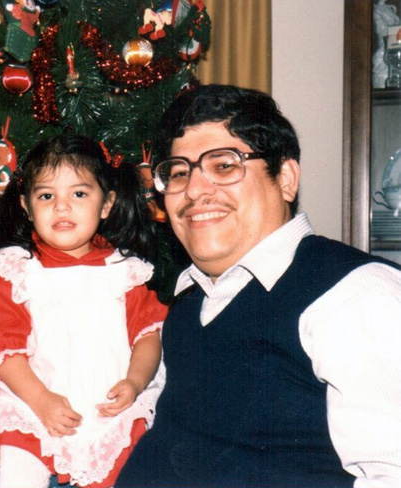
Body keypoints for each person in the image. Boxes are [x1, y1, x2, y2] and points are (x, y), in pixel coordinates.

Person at [115, 84, 401, 487]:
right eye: (179, 172)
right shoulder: (187, 301)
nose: (195, 190)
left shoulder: (356, 296)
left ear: (285, 178)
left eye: (224, 165)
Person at [0, 134, 168, 488]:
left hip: (111, 415)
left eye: (79, 194)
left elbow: (148, 336)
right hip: (32, 411)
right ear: (27, 207)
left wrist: (135, 382)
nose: (62, 207)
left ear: (106, 204)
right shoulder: (16, 270)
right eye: (47, 196)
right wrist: (41, 400)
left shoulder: (125, 271)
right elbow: (3, 348)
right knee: (17, 478)